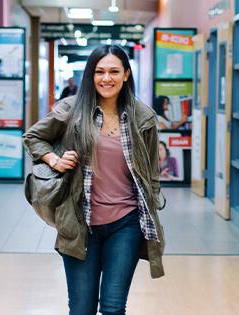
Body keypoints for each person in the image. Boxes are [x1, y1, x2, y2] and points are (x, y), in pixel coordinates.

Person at [23, 45, 166, 315]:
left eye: (114, 71)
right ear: (91, 75)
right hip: (80, 223)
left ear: (126, 75)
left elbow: (151, 174)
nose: (106, 78)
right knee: (81, 309)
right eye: (99, 71)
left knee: (113, 307)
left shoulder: (143, 117)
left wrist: (151, 209)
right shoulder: (72, 109)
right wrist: (55, 160)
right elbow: (33, 137)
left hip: (126, 224)